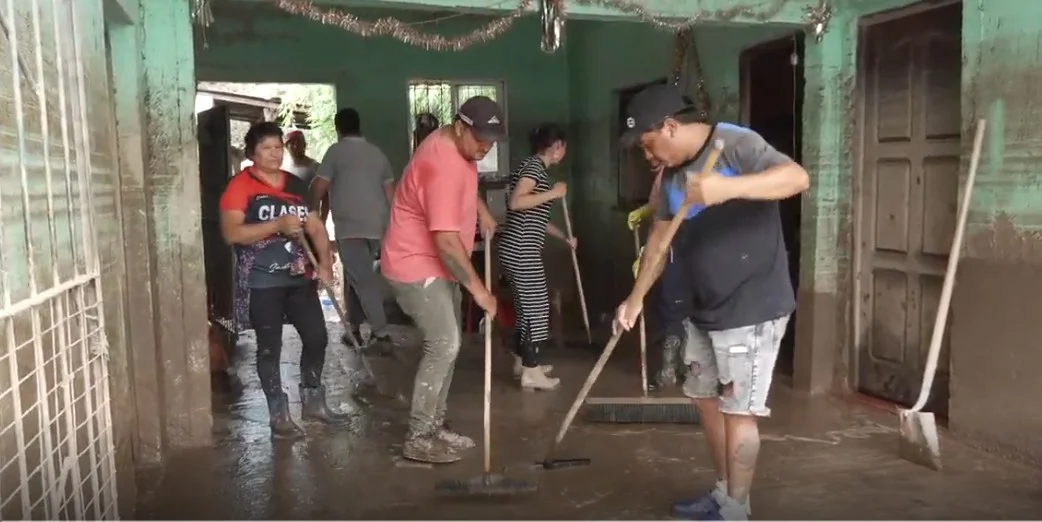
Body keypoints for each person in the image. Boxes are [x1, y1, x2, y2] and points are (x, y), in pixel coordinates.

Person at [613, 84, 809, 521]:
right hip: (703, 306)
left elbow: (797, 178)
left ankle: (736, 509)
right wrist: (635, 299)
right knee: (705, 399)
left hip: (751, 303)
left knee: (739, 410)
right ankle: (724, 492)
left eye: (648, 145)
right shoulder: (671, 178)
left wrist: (727, 189)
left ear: (669, 127)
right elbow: (658, 243)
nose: (647, 157)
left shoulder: (735, 143)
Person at [381, 95, 503, 464]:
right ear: (460, 127)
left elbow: (463, 187)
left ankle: (434, 426)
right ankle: (419, 435)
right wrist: (481, 292)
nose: (486, 147)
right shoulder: (442, 162)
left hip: (440, 265)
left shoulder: (458, 147)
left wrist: (480, 208)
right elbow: (446, 242)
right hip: (415, 264)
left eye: (492, 141)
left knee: (447, 345)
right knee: (444, 343)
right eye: (480, 139)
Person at [219, 121, 349, 440]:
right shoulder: (240, 186)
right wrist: (277, 225)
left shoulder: (294, 185)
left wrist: (326, 266)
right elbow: (232, 233)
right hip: (262, 281)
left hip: (299, 277)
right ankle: (279, 415)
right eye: (267, 148)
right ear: (252, 153)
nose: (275, 153)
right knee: (269, 349)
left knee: (317, 337)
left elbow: (315, 227)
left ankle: (313, 401)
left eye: (278, 147)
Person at [497, 123, 575, 391]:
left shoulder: (533, 168)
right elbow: (517, 202)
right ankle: (531, 371)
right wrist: (553, 193)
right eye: (563, 146)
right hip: (521, 249)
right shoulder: (533, 168)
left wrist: (564, 237)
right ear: (556, 147)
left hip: (520, 247)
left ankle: (525, 361)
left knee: (526, 307)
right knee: (537, 307)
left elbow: (536, 218)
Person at [311, 108, 396, 347]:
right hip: (376, 226)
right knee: (356, 276)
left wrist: (311, 213)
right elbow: (392, 195)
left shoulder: (335, 152)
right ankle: (354, 328)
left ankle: (381, 333)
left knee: (363, 279)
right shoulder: (377, 154)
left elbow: (318, 187)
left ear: (338, 128)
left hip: (350, 228)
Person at [627, 158, 690, 390]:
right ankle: (678, 370)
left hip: (681, 247)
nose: (649, 157)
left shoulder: (677, 172)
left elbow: (668, 208)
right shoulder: (669, 172)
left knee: (677, 305)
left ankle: (674, 371)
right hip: (671, 247)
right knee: (673, 306)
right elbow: (660, 206)